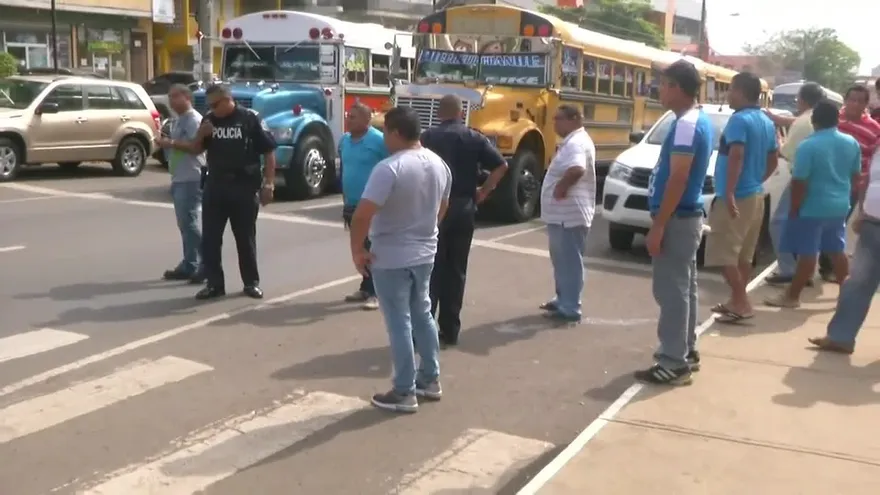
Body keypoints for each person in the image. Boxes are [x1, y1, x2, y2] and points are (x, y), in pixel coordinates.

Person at [348, 106, 451, 413]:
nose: (383, 139)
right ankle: (430, 378)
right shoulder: (438, 164)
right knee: (422, 314)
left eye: (385, 132)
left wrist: (358, 251)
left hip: (392, 255)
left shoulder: (389, 168)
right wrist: (426, 230)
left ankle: (404, 390)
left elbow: (362, 215)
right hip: (424, 252)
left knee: (399, 322)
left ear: (395, 132)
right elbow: (443, 206)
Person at [633, 60, 712, 386]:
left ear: (677, 88)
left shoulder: (686, 125)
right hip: (684, 216)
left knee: (671, 292)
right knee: (684, 288)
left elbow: (678, 177)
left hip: (677, 218)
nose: (659, 90)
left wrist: (659, 225)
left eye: (663, 84)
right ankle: (685, 350)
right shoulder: (692, 120)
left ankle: (673, 362)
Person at [170, 84, 277, 300]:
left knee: (245, 238)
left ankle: (251, 283)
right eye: (209, 105)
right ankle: (214, 284)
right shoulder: (210, 119)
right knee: (210, 239)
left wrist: (269, 184)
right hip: (216, 186)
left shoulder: (249, 119)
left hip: (243, 186)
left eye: (215, 104)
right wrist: (201, 135)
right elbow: (196, 149)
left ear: (228, 99)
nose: (212, 109)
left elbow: (268, 152)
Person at [420, 94, 508, 346]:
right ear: (461, 113)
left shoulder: (428, 137)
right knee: (457, 270)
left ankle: (424, 329)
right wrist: (485, 191)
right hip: (464, 207)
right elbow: (501, 165)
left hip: (435, 207)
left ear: (439, 113)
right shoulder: (474, 137)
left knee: (431, 269)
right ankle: (450, 330)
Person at [765, 100, 862, 308]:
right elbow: (856, 177)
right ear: (837, 120)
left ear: (814, 121)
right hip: (838, 206)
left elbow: (799, 182)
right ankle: (846, 296)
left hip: (812, 207)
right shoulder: (851, 142)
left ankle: (792, 297)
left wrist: (794, 208)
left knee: (807, 253)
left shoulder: (808, 146)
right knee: (837, 251)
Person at [705, 72, 778, 323]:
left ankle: (741, 301)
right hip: (755, 194)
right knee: (744, 255)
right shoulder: (766, 121)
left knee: (722, 253)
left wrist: (729, 191)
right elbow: (773, 159)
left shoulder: (739, 120)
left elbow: (736, 154)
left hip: (736, 196)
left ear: (740, 91)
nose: (728, 95)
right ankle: (736, 301)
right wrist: (757, 179)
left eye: (730, 89)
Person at [808, 144, 880, 354]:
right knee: (857, 281)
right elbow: (868, 180)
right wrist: (863, 212)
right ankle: (841, 337)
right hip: (873, 223)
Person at [538, 104, 596, 323]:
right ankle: (562, 298)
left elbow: (577, 168)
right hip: (563, 215)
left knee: (569, 261)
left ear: (573, 119)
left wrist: (561, 187)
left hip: (569, 216)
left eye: (558, 119)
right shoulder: (573, 141)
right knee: (561, 260)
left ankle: (570, 307)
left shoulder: (576, 143)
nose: (554, 123)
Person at [763, 82, 825, 286]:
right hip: (818, 180)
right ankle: (804, 271)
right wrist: (778, 119)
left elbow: (786, 152)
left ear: (802, 100)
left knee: (778, 223)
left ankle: (788, 269)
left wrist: (778, 140)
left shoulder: (801, 123)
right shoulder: (815, 119)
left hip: (801, 180)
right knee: (806, 228)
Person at [819, 85, 880, 281]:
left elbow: (871, 161)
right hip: (824, 182)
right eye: (852, 99)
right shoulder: (833, 121)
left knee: (836, 225)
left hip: (850, 186)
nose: (855, 104)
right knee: (817, 223)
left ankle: (827, 266)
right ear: (845, 100)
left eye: (860, 101)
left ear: (866, 104)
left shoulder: (874, 129)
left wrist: (863, 192)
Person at [340, 102, 388, 311]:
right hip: (351, 203)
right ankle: (366, 288)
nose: (348, 120)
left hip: (372, 205)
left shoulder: (378, 141)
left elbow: (392, 167)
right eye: (348, 116)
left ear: (367, 120)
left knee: (373, 249)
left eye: (353, 117)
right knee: (360, 248)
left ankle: (377, 292)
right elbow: (345, 169)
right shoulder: (344, 140)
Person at [158, 84, 206, 284]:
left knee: (189, 222)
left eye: (175, 96)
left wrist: (171, 143)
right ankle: (190, 263)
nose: (171, 101)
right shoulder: (178, 120)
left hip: (191, 177)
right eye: (169, 97)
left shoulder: (194, 119)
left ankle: (208, 262)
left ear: (187, 97)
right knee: (184, 224)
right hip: (179, 176)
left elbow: (197, 147)